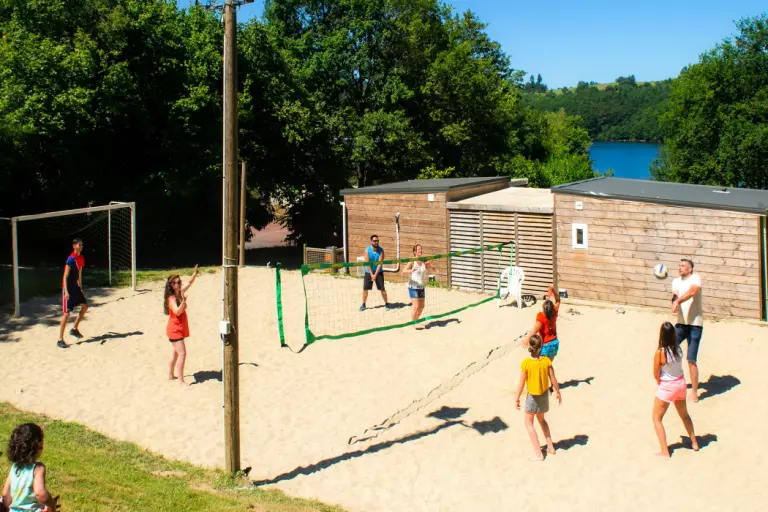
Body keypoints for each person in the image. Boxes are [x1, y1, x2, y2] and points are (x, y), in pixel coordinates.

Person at [652, 322, 699, 458]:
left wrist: (659, 381)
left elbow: (656, 372)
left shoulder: (661, 352)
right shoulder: (678, 349)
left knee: (657, 418)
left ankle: (665, 451)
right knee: (684, 415)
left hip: (668, 386)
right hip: (681, 384)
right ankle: (694, 442)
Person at [514, 334, 562, 461]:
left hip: (533, 397)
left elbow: (521, 383)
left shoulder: (526, 363)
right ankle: (550, 447)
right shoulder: (546, 361)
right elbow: (553, 378)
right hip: (544, 395)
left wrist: (517, 398)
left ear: (529, 347)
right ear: (541, 347)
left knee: (528, 423)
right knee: (542, 420)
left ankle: (538, 454)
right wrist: (557, 391)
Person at [2, 423, 59, 512]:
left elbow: (6, 496)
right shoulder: (37, 468)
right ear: (37, 446)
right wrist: (52, 504)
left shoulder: (14, 467)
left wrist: (7, 508)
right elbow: (40, 493)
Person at [671, 258, 703, 402]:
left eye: (683, 266)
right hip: (681, 324)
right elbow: (674, 296)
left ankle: (694, 393)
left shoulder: (695, 278)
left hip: (695, 324)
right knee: (667, 350)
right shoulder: (675, 281)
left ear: (690, 269)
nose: (680, 267)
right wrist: (674, 303)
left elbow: (693, 292)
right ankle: (673, 382)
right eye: (679, 265)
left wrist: (678, 301)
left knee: (691, 359)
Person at [164, 265, 199, 389]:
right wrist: (183, 302)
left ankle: (170, 375)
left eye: (180, 282)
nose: (180, 284)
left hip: (178, 328)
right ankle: (181, 382)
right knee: (182, 354)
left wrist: (195, 273)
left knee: (175, 353)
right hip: (175, 330)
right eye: (177, 282)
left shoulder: (180, 292)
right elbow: (177, 311)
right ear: (172, 285)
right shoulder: (172, 298)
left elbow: (190, 283)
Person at [57, 238, 88, 349]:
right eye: (79, 245)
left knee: (85, 306)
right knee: (66, 314)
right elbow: (65, 276)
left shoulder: (81, 258)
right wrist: (66, 291)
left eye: (82, 245)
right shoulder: (71, 259)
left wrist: (80, 287)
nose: (81, 246)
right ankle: (60, 340)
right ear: (74, 246)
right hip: (68, 288)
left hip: (75, 287)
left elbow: (80, 273)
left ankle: (74, 329)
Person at [523, 284, 560, 361]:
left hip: (546, 346)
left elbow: (535, 329)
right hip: (555, 344)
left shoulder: (541, 316)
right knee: (548, 365)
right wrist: (553, 291)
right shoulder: (554, 312)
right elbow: (558, 300)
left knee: (541, 366)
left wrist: (527, 338)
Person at [401, 244, 435, 325]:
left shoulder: (424, 260)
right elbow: (403, 271)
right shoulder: (412, 260)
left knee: (422, 306)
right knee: (416, 306)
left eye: (421, 249)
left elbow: (434, 270)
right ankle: (413, 323)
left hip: (421, 286)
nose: (420, 250)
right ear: (415, 252)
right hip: (413, 287)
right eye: (419, 249)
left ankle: (416, 320)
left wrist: (430, 266)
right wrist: (411, 270)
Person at [360, 234, 390, 311]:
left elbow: (380, 264)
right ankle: (363, 304)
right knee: (365, 289)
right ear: (371, 241)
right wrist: (371, 274)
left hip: (378, 271)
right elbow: (367, 264)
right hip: (369, 271)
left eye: (377, 241)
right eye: (375, 241)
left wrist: (375, 275)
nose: (376, 242)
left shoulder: (381, 250)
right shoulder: (367, 250)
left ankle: (386, 303)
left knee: (382, 289)